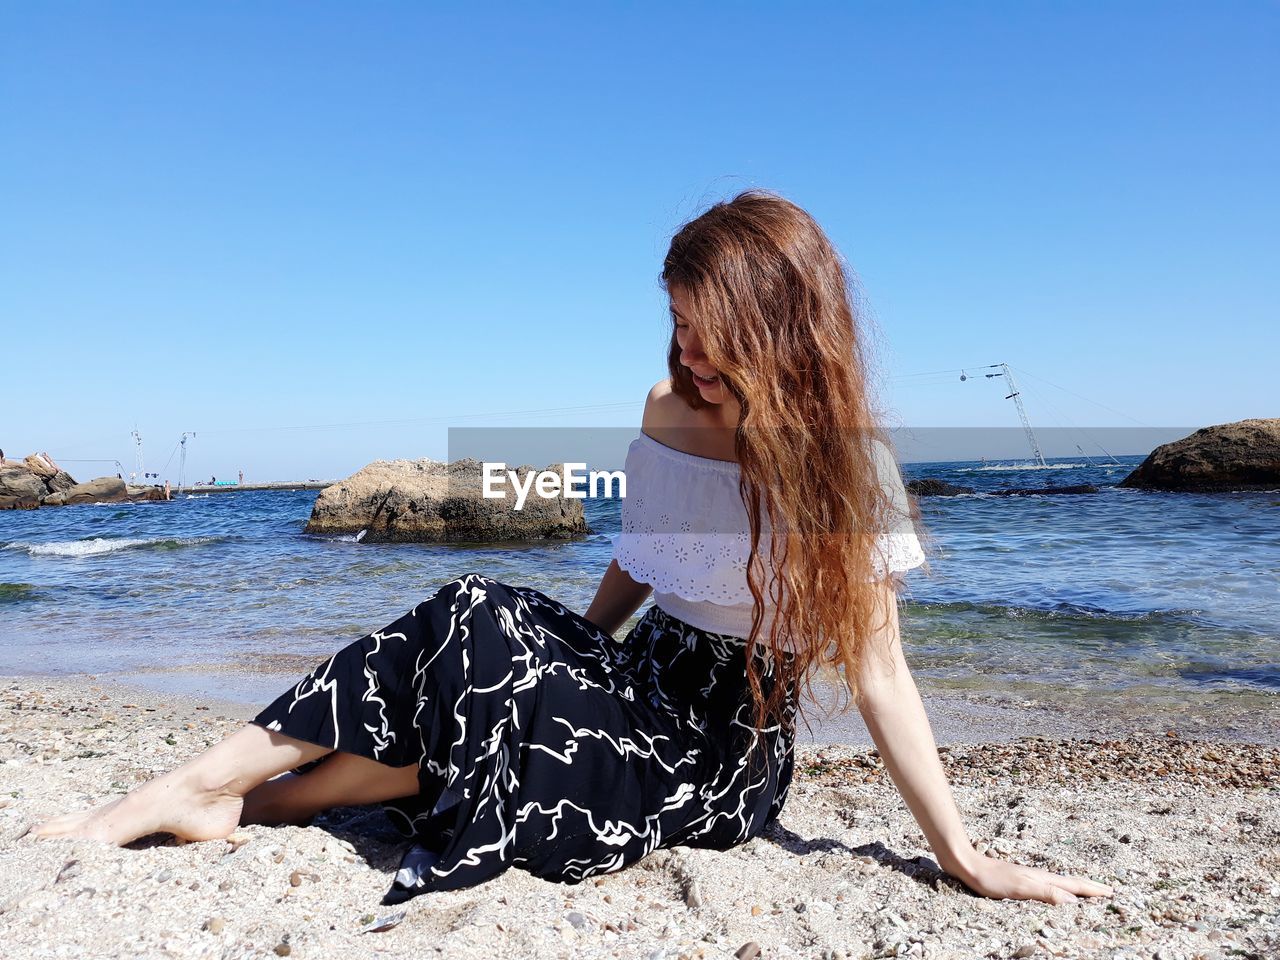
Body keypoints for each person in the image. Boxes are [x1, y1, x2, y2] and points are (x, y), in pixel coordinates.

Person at [27, 190, 1112, 910]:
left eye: (708, 334)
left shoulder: (843, 470)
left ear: (778, 330)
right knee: (472, 614)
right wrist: (558, 656)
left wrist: (962, 855)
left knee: (492, 682)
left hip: (714, 753)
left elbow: (881, 678)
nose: (685, 354)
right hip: (635, 676)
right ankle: (186, 787)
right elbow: (643, 557)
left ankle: (236, 806)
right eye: (676, 326)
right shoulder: (661, 405)